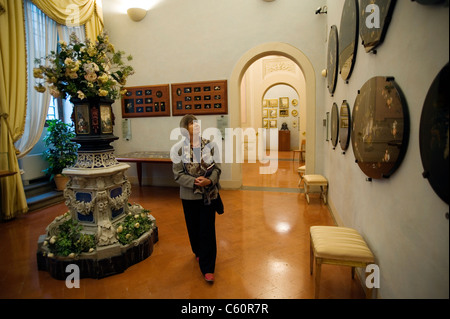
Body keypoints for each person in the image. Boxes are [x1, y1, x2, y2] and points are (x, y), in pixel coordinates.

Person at [172, 114, 221, 282]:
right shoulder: (178, 149)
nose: (196, 125)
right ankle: (199, 252)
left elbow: (218, 168)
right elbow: (177, 175)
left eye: (197, 122)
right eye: (192, 123)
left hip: (209, 195)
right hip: (189, 196)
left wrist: (209, 180)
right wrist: (194, 182)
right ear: (185, 129)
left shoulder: (211, 145)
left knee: (207, 230)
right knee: (193, 229)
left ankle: (208, 268)